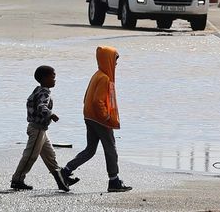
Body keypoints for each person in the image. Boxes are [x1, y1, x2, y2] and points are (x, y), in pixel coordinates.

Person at [61, 46, 132, 193]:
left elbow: (86, 96)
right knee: (110, 149)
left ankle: (66, 171)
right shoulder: (105, 78)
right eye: (115, 59)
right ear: (108, 60)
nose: (116, 63)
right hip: (99, 119)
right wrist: (106, 116)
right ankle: (114, 181)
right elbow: (97, 101)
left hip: (89, 117)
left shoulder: (97, 74)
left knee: (90, 150)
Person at [11, 65, 72, 192]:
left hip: (41, 130)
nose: (55, 80)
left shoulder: (38, 90)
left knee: (50, 156)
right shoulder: (44, 92)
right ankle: (17, 180)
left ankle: (62, 180)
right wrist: (51, 114)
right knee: (30, 156)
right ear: (44, 79)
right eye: (53, 77)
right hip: (37, 129)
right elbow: (41, 106)